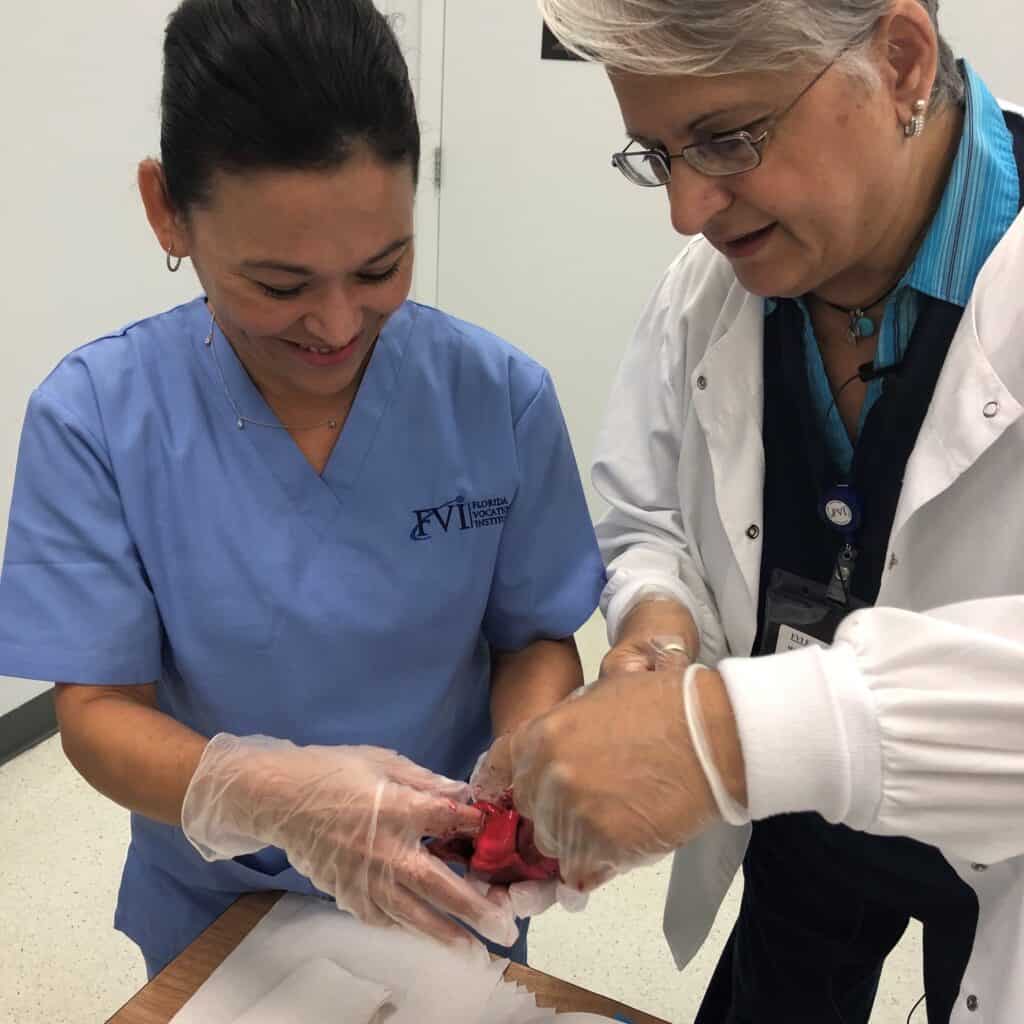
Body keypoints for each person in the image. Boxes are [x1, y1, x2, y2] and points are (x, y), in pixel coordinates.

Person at [0, 0, 604, 979]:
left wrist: (527, 774)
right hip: (219, 909)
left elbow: (532, 635)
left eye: (381, 267)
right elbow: (98, 710)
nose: (336, 324)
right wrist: (271, 797)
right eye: (280, 285)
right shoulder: (98, 418)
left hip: (447, 891)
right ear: (166, 209)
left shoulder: (496, 397)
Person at [477, 1, 1024, 1021]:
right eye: (657, 155)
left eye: (728, 138)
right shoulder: (716, 285)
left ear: (901, 61)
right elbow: (649, 515)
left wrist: (731, 736)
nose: (687, 210)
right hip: (795, 811)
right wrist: (658, 633)